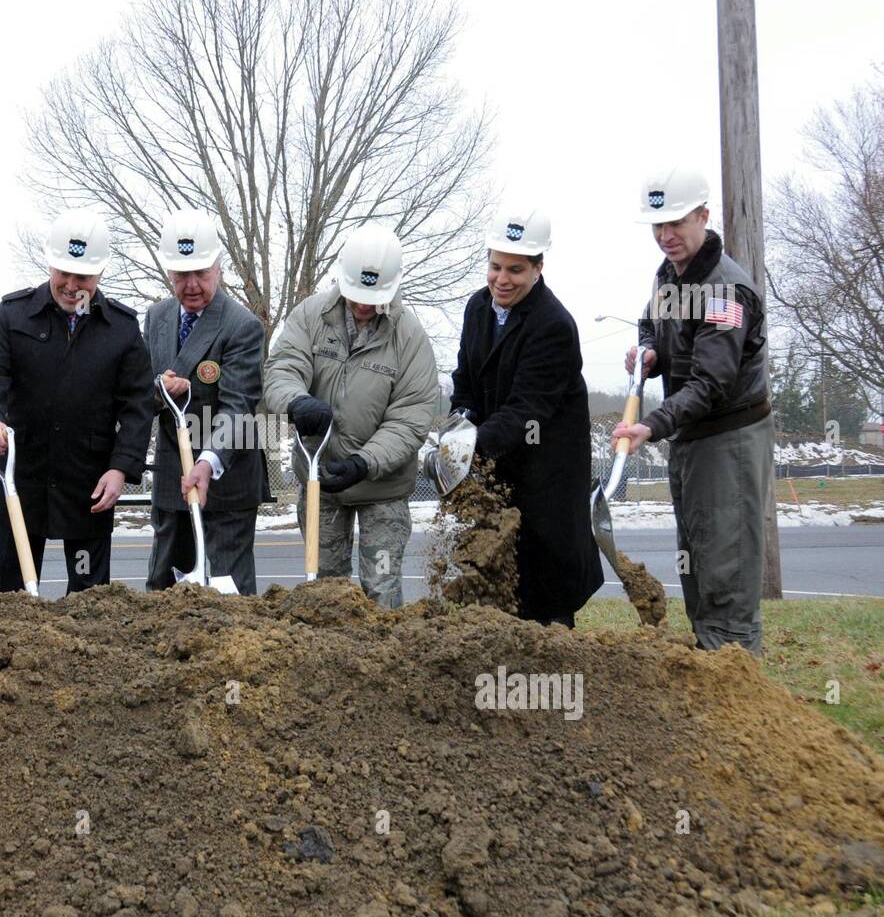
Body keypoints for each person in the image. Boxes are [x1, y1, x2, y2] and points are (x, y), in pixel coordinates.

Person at [613, 167, 772, 653]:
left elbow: (712, 383)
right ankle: (712, 660)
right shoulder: (669, 276)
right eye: (657, 226)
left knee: (726, 562)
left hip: (729, 441)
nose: (665, 236)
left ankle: (737, 674)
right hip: (691, 438)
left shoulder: (727, 291)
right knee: (698, 558)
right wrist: (649, 353)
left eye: (676, 223)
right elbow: (650, 324)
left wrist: (652, 425)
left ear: (703, 216)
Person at [0, 210, 153, 594]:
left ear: (99, 274)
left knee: (89, 601)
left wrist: (120, 469)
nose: (71, 285)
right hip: (22, 482)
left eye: (82, 277)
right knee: (10, 599)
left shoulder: (121, 329)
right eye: (63, 273)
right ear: (50, 264)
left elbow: (137, 405)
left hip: (88, 489)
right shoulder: (14, 314)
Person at [263, 225, 439, 608]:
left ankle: (385, 664)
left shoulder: (409, 337)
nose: (362, 305)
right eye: (356, 295)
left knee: (381, 587)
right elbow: (282, 368)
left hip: (384, 490)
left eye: (372, 298)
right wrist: (296, 402)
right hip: (320, 481)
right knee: (325, 590)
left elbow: (411, 416)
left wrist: (365, 462)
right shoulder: (311, 316)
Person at [447, 208, 602, 626]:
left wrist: (468, 446)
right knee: (496, 579)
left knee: (543, 584)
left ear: (538, 268)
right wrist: (460, 420)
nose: (502, 279)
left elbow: (525, 410)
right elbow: (465, 378)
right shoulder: (478, 309)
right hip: (499, 469)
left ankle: (553, 670)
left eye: (515, 269)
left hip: (544, 472)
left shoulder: (553, 325)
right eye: (495, 266)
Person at [144, 208, 271, 595]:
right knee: (164, 592)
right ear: (169, 273)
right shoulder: (156, 317)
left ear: (219, 266)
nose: (193, 284)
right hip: (172, 475)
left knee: (228, 595)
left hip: (225, 477)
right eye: (182, 275)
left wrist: (207, 461)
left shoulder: (241, 325)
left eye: (201, 272)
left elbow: (238, 408)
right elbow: (140, 395)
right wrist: (159, 388)